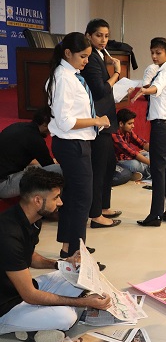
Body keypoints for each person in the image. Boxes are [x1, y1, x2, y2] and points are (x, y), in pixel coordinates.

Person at [0, 168, 111, 342]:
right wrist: (83, 302)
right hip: (5, 307)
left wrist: (62, 264)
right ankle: (23, 327)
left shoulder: (31, 218)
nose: (60, 202)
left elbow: (30, 257)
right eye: (55, 197)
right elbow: (30, 295)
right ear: (37, 200)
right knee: (65, 318)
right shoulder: (8, 235)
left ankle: (32, 327)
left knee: (75, 274)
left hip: (18, 290)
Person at [46, 32, 110, 259]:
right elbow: (65, 121)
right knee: (82, 199)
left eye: (88, 56)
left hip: (76, 143)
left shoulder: (71, 75)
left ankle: (69, 247)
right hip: (71, 144)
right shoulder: (63, 78)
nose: (86, 61)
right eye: (82, 56)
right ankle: (76, 255)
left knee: (74, 198)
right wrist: (96, 121)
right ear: (67, 53)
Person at [133, 37, 166, 228]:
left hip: (162, 126)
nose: (154, 56)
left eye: (158, 53)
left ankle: (155, 215)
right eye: (152, 52)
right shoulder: (161, 69)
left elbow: (156, 88)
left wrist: (144, 90)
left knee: (158, 171)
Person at [81, 18, 122, 229]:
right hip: (98, 120)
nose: (103, 40)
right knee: (99, 168)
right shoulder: (90, 59)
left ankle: (103, 206)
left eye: (106, 36)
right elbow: (100, 90)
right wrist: (117, 73)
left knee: (109, 165)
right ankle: (96, 214)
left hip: (106, 119)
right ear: (88, 36)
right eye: (99, 35)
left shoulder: (98, 55)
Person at [0, 107, 61, 199]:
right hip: (4, 185)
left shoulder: (17, 126)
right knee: (60, 170)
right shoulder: (36, 140)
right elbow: (50, 168)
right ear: (45, 124)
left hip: (5, 174)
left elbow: (17, 159)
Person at [112, 108, 151, 180]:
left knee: (150, 154)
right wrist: (153, 163)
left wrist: (157, 154)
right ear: (121, 124)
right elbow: (133, 153)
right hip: (120, 162)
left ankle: (139, 173)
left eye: (133, 123)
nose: (133, 126)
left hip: (130, 158)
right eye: (130, 124)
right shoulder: (114, 134)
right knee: (135, 165)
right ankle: (147, 171)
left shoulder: (128, 131)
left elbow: (142, 143)